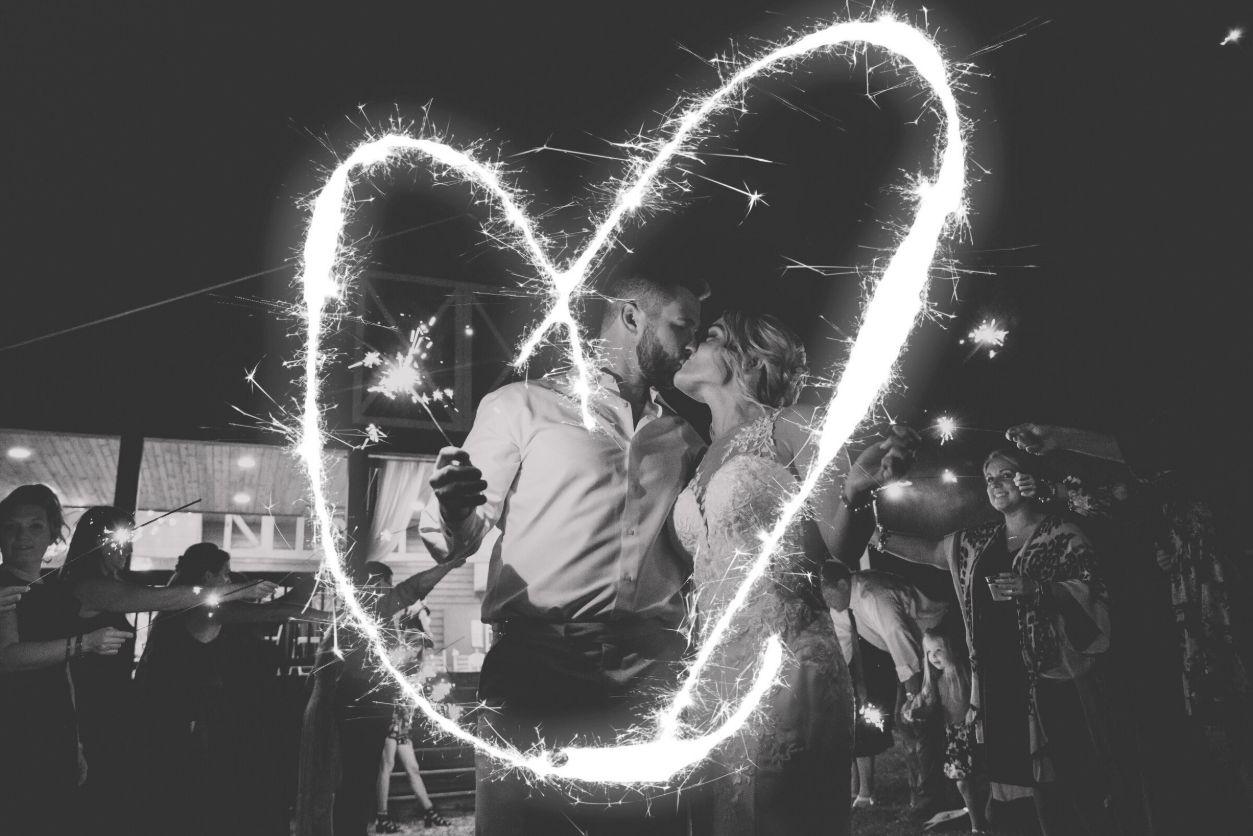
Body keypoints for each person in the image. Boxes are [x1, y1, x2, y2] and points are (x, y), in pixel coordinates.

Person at [420, 272, 709, 835]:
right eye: (682, 327)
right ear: (631, 317)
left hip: (650, 673)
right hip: (538, 668)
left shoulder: (682, 437)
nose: (691, 344)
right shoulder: (521, 406)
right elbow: (459, 538)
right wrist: (454, 509)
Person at [669, 311, 919, 836]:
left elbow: (839, 549)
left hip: (786, 661)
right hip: (714, 678)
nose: (691, 344)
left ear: (751, 359)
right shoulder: (696, 456)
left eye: (710, 336)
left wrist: (857, 493)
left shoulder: (794, 426)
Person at [1006, 422, 1253, 831]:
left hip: (1222, 604)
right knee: (1209, 731)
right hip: (1184, 617)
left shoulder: (1211, 458)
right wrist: (1052, 484)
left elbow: (1147, 460)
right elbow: (1121, 498)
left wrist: (1061, 443)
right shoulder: (1156, 495)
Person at [870, 449, 1114, 836]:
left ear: (1028, 479)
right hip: (999, 685)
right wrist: (873, 535)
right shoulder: (979, 542)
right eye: (989, 479)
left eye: (1005, 474)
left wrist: (1038, 588)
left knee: (1065, 789)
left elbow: (1095, 597)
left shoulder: (1063, 536)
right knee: (1013, 789)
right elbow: (931, 551)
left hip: (1053, 688)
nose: (996, 484)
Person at [56, 506, 278, 831]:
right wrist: (233, 590)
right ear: (97, 543)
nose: (126, 548)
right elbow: (159, 598)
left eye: (128, 539)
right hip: (87, 712)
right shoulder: (87, 586)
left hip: (111, 709)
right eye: (118, 540)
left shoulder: (103, 584)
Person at [134, 542, 326, 836]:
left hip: (168, 715)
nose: (229, 578)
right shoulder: (202, 611)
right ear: (208, 576)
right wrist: (323, 615)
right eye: (225, 573)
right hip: (177, 720)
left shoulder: (178, 610)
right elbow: (272, 614)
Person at [295, 558, 464, 836]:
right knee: (358, 781)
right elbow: (414, 588)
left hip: (350, 706)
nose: (391, 589)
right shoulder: (373, 610)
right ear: (375, 584)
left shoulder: (353, 616)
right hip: (361, 707)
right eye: (388, 583)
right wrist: (449, 563)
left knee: (349, 781)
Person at [0, 485, 129, 835]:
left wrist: (75, 740)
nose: (22, 537)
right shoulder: (3, 584)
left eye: (35, 526)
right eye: (11, 527)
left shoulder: (50, 589)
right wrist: (86, 642)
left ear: (52, 533)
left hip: (54, 733)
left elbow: (63, 673)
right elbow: (8, 657)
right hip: (12, 736)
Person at [819, 560, 949, 819]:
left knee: (920, 722)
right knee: (906, 725)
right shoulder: (844, 605)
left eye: (828, 594)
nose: (826, 602)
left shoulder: (873, 596)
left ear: (842, 584)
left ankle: (935, 794)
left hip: (936, 641)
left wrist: (913, 694)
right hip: (910, 653)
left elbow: (899, 637)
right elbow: (843, 644)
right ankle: (920, 791)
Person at [907, 628, 989, 834]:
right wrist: (914, 712)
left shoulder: (967, 674)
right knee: (963, 782)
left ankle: (984, 816)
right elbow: (928, 707)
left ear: (951, 649)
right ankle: (976, 825)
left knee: (983, 777)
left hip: (975, 733)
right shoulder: (936, 681)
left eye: (938, 650)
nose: (933, 656)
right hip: (956, 738)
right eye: (929, 652)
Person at [373, 636, 449, 832]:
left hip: (404, 722)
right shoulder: (398, 662)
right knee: (386, 766)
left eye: (419, 647)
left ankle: (429, 812)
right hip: (392, 719)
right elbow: (390, 689)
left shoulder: (419, 667)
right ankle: (381, 817)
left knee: (412, 768)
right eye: (414, 645)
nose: (416, 650)